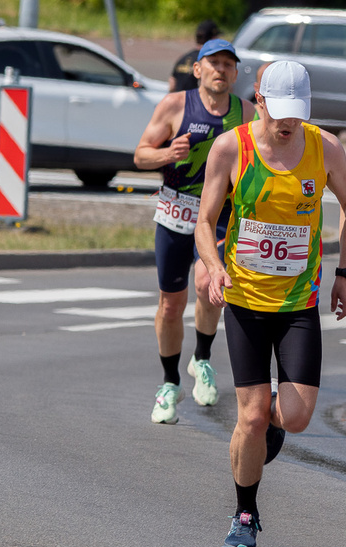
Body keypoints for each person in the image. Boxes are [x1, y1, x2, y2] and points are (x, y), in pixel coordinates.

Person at [194, 60, 346, 547]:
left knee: (296, 415)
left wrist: (345, 273)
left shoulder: (324, 147)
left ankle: (260, 425)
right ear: (259, 100)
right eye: (279, 111)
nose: (288, 123)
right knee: (250, 416)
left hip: (297, 303)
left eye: (297, 113)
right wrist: (214, 265)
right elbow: (205, 222)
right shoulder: (231, 148)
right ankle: (245, 512)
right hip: (244, 299)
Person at [134, 39, 256, 424]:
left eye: (228, 64)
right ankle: (170, 383)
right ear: (198, 69)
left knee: (208, 285)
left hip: (220, 217)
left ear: (235, 74)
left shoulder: (248, 113)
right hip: (175, 212)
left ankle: (201, 357)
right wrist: (167, 153)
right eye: (213, 63)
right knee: (171, 304)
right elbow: (140, 155)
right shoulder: (174, 105)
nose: (221, 69)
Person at [169, 20, 222, 92]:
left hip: (179, 101)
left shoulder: (183, 58)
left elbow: (172, 85)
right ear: (213, 39)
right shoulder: (208, 61)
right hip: (197, 102)